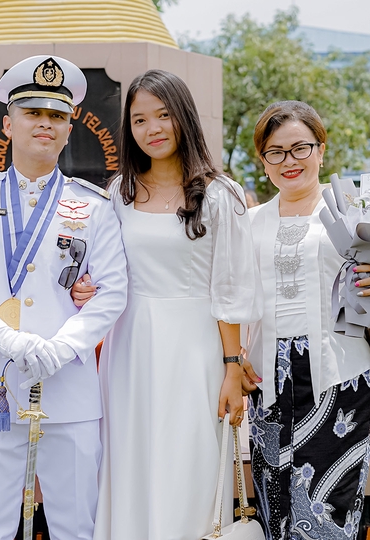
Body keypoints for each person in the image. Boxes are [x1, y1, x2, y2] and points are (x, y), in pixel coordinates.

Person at [0, 55, 128, 540]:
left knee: (75, 524)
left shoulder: (95, 206)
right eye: (33, 113)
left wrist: (61, 347)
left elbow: (112, 291)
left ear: (69, 128)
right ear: (8, 122)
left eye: (57, 116)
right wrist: (7, 340)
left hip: (70, 390)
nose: (45, 124)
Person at [74, 69, 263, 540]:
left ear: (183, 117)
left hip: (197, 348)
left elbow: (231, 289)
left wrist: (233, 369)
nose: (152, 129)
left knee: (191, 462)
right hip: (129, 348)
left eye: (163, 115)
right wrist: (88, 288)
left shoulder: (221, 194)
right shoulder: (119, 193)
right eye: (139, 120)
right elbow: (108, 272)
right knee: (131, 460)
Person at [240, 100, 370, 540]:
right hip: (268, 380)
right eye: (275, 152)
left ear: (321, 149)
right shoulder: (249, 222)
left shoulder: (354, 214)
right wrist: (234, 355)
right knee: (274, 504)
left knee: (328, 513)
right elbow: (233, 296)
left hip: (341, 378)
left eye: (300, 148)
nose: (289, 161)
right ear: (263, 162)